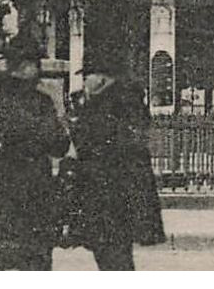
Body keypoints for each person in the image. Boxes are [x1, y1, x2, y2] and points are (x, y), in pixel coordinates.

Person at [0, 36, 69, 271]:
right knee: (34, 260)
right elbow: (59, 146)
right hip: (34, 191)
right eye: (36, 64)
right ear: (27, 66)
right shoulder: (41, 101)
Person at [69, 62, 166, 271]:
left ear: (102, 78)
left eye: (87, 77)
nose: (84, 83)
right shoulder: (124, 101)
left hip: (111, 194)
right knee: (114, 253)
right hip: (118, 194)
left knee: (112, 255)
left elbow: (95, 144)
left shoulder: (109, 105)